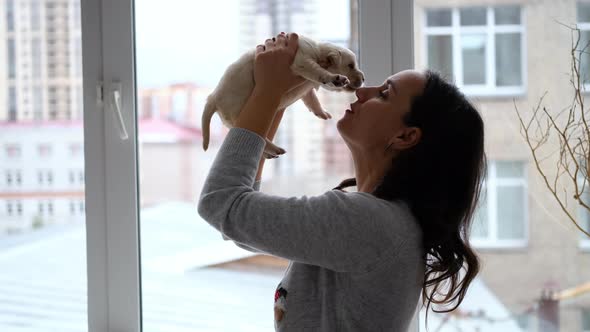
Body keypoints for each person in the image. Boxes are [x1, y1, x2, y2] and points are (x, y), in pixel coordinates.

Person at [198, 32, 487, 332]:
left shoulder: (368, 224)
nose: (360, 92)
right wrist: (279, 97)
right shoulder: (383, 222)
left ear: (405, 136)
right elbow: (240, 227)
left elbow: (221, 203)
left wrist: (268, 92)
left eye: (384, 94)